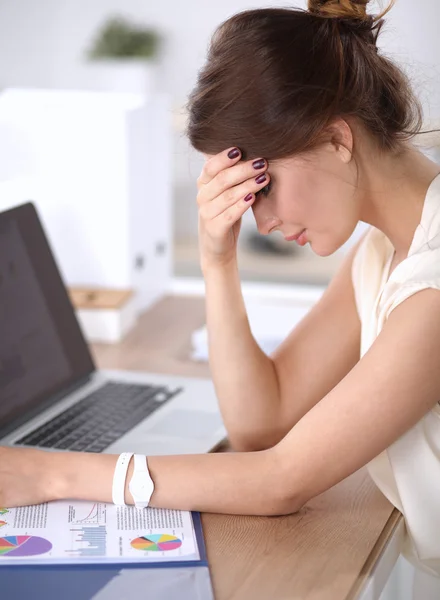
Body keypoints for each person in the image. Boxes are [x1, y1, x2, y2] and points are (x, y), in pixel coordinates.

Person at [2, 0, 440, 586]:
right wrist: (217, 258)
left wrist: (47, 476)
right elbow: (262, 425)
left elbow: (283, 479)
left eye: (261, 187)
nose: (258, 219)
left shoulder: (431, 283)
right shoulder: (388, 250)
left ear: (336, 137)